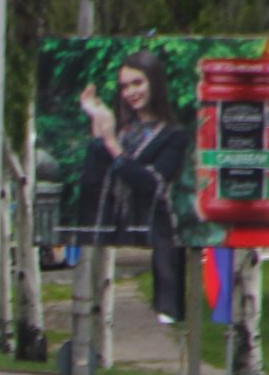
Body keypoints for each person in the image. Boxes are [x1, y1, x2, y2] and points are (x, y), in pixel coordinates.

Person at [75, 49, 190, 323]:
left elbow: (151, 183)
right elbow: (93, 184)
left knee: (167, 302)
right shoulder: (120, 128)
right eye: (125, 86)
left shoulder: (173, 135)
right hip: (114, 226)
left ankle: (167, 312)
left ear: (154, 83)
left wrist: (113, 146)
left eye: (137, 83)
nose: (130, 92)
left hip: (156, 232)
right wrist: (99, 126)